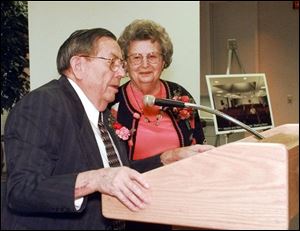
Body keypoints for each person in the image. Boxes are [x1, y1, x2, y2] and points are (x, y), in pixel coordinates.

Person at [1, 28, 213, 230]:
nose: (122, 72)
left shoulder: (100, 112)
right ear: (78, 65)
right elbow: (22, 190)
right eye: (113, 63)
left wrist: (168, 157)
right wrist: (95, 180)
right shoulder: (43, 104)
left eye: (121, 64)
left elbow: (118, 175)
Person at [110, 19, 208, 230]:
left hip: (180, 205)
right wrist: (166, 158)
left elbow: (199, 149)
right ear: (125, 64)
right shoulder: (111, 102)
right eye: (136, 57)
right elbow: (109, 167)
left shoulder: (180, 97)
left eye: (152, 56)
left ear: (164, 61)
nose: (145, 64)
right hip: (130, 207)